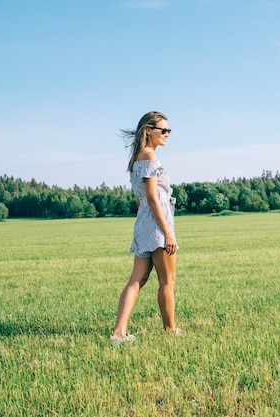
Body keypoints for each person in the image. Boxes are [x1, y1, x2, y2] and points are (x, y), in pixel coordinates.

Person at [111, 111, 180, 342]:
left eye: (168, 130)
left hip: (142, 224)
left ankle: (119, 333)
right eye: (163, 130)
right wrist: (168, 233)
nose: (167, 134)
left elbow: (139, 199)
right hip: (157, 225)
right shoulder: (150, 158)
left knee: (137, 279)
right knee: (167, 281)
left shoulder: (136, 159)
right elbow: (151, 197)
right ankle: (171, 331)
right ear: (148, 130)